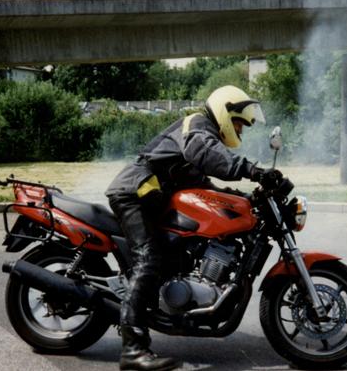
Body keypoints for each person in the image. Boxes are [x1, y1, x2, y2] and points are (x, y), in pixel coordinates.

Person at [106, 85, 282, 371]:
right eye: (239, 123)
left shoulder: (199, 140)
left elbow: (205, 187)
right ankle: (133, 349)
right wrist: (253, 171)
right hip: (134, 192)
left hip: (152, 198)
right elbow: (208, 154)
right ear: (226, 112)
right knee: (147, 261)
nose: (240, 130)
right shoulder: (197, 126)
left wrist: (246, 199)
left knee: (169, 256)